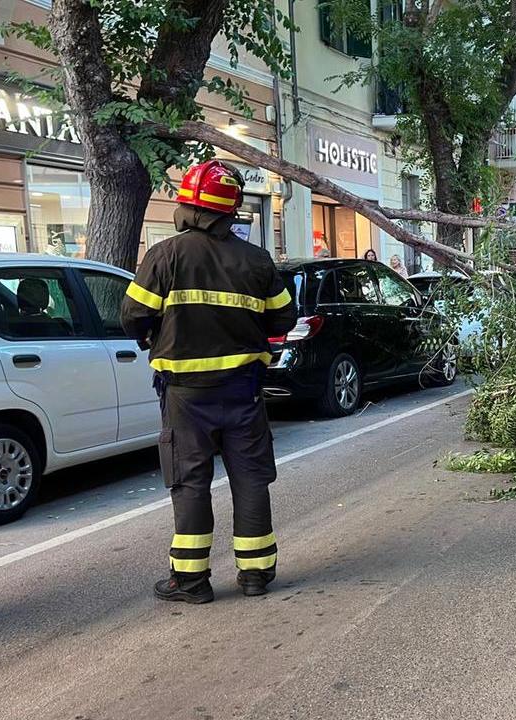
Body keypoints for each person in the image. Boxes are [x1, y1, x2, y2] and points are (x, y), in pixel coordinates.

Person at [121, 160, 297, 603]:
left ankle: (192, 581)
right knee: (251, 477)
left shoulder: (164, 256)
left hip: (185, 397)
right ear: (230, 210)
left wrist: (158, 332)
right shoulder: (255, 260)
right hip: (243, 391)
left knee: (190, 482)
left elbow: (132, 317)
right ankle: (256, 574)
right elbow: (284, 316)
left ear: (188, 206)